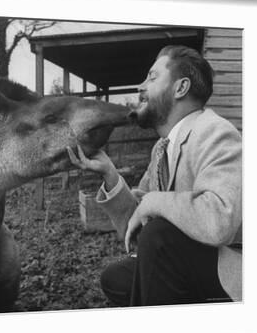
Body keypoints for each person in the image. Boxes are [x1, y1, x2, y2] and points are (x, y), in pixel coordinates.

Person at [67, 45, 242, 307]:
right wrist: (110, 174)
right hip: (186, 260)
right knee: (115, 278)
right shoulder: (162, 148)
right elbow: (135, 226)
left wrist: (153, 201)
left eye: (152, 77)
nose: (140, 86)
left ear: (180, 88)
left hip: (230, 268)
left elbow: (219, 221)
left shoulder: (215, 132)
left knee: (159, 235)